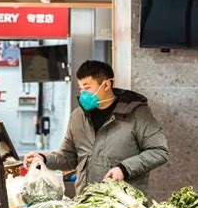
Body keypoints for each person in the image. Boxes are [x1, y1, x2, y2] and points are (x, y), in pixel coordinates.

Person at [24, 60, 169, 195]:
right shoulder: (77, 117)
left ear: (106, 85)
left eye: (87, 88)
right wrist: (43, 158)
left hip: (125, 206)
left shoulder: (137, 113)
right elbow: (69, 157)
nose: (82, 94)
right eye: (81, 89)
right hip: (87, 204)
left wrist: (124, 169)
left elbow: (159, 151)